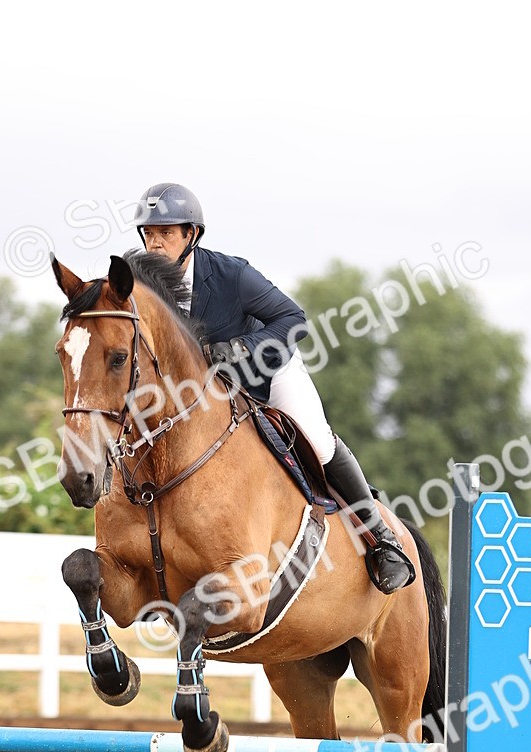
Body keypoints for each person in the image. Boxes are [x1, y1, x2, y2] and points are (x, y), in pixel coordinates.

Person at [133, 181, 415, 594]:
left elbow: (294, 319)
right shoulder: (143, 282)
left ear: (191, 235)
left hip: (268, 373)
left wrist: (241, 347)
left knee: (317, 443)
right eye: (150, 234)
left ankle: (382, 542)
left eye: (166, 233)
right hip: (204, 395)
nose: (155, 244)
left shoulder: (232, 274)